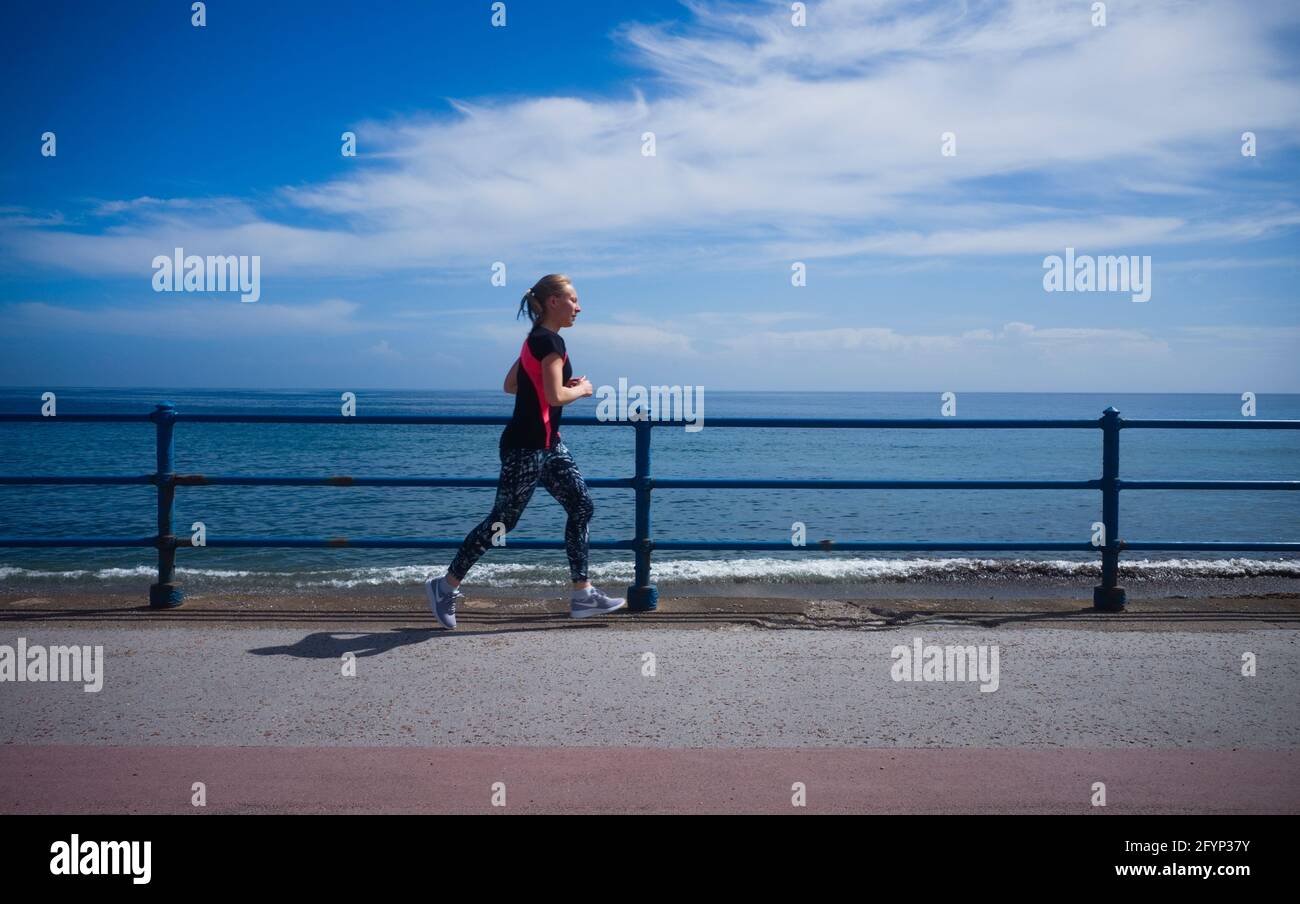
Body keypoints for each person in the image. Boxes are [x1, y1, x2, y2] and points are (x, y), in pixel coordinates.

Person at [424, 274, 627, 628]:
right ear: (553, 302)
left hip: (548, 444)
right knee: (502, 521)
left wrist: (563, 384)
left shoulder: (534, 340)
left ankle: (582, 594)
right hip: (526, 447)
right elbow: (551, 397)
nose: (579, 307)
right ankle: (444, 586)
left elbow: (512, 385)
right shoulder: (550, 342)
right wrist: (581, 390)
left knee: (581, 505)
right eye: (573, 300)